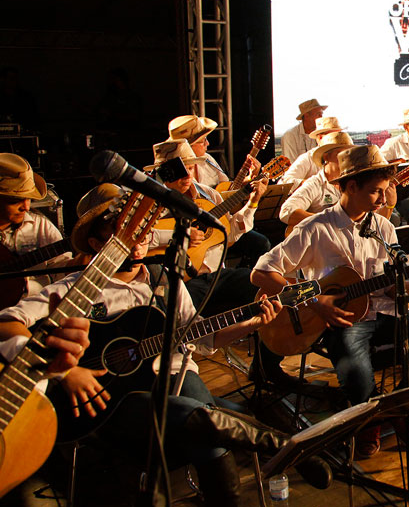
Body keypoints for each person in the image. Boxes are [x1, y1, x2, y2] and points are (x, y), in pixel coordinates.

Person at [0, 185, 329, 506]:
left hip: (176, 378)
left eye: (142, 231)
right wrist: (65, 372)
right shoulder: (76, 288)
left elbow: (201, 337)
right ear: (96, 242)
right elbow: (6, 321)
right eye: (123, 233)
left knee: (205, 423)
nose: (139, 240)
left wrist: (251, 324)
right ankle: (289, 448)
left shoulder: (165, 279)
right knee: (210, 429)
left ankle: (279, 448)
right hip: (112, 400)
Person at [252, 145, 409, 457]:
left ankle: (390, 412)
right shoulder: (315, 227)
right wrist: (315, 300)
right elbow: (261, 273)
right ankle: (368, 419)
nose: (384, 200)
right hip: (340, 320)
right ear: (349, 186)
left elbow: (389, 288)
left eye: (386, 191)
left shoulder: (383, 228)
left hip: (385, 312)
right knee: (358, 380)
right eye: (375, 192)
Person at [147, 140, 267, 315]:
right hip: (180, 282)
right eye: (180, 170)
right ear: (165, 173)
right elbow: (138, 240)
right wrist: (180, 235)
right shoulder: (150, 204)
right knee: (176, 314)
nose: (187, 176)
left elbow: (231, 235)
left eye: (189, 169)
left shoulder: (209, 195)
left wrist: (252, 203)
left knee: (260, 287)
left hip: (218, 275)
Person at [0, 153, 71, 296]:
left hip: (35, 313)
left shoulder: (41, 227)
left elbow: (63, 273)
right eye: (15, 200)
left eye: (28, 198)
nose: (26, 207)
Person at [279, 131, 355, 230]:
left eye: (348, 154)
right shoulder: (315, 184)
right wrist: (326, 220)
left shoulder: (355, 182)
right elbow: (286, 211)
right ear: (326, 157)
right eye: (340, 154)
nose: (346, 158)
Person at [279, 116, 345, 184]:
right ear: (320, 138)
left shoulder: (347, 156)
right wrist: (313, 185)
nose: (338, 138)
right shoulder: (308, 158)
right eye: (332, 136)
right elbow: (284, 182)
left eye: (339, 134)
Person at [281, 98, 327, 163]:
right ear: (306, 115)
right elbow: (290, 164)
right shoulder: (290, 135)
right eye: (318, 114)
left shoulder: (323, 134)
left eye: (322, 114)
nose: (321, 117)